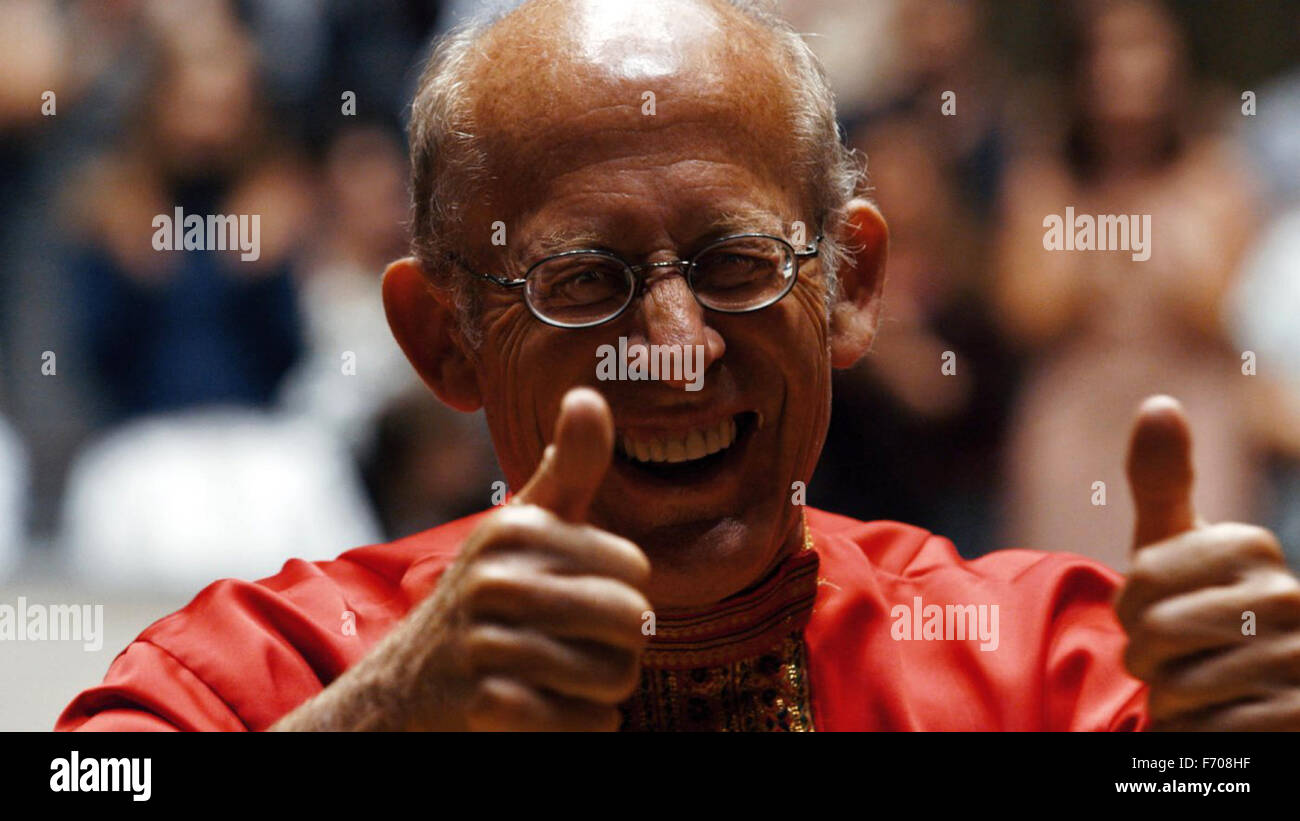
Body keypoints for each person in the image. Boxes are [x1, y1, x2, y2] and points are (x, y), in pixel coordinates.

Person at [58, 0, 1300, 732]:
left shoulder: (1038, 660)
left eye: (734, 265)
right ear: (442, 337)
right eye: (584, 281)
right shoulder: (282, 657)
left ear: (849, 286)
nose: (675, 349)